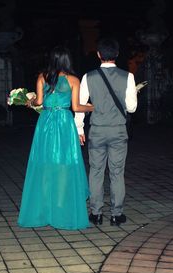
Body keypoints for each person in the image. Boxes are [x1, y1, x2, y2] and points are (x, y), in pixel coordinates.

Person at [17, 46, 94, 230]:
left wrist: (29, 102)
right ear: (68, 60)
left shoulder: (42, 77)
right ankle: (60, 207)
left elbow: (39, 102)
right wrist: (92, 107)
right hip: (64, 124)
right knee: (64, 165)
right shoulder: (73, 79)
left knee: (44, 164)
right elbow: (76, 107)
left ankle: (45, 208)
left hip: (46, 123)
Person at [74, 37, 138, 226]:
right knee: (117, 173)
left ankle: (96, 213)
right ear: (117, 54)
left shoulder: (88, 77)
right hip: (118, 131)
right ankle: (117, 215)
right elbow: (132, 108)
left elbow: (80, 106)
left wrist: (79, 128)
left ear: (99, 54)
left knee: (96, 171)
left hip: (97, 131)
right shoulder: (128, 77)